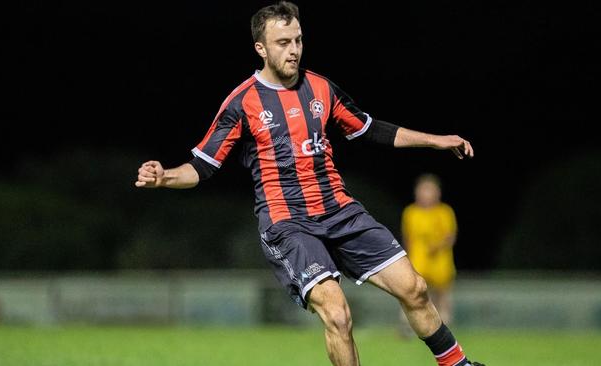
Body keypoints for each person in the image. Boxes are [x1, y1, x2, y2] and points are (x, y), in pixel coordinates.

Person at [135, 2, 482, 365]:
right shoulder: (242, 103)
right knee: (338, 314)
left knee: (415, 289)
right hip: (288, 223)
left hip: (339, 210)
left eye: (298, 40)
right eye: (283, 42)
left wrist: (437, 140)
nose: (294, 49)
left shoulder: (320, 88)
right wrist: (165, 176)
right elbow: (202, 166)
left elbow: (369, 128)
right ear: (261, 48)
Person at [401, 174, 458, 333]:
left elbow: (450, 236)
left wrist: (438, 246)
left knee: (442, 297)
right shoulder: (410, 212)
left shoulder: (444, 212)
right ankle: (409, 327)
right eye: (423, 190)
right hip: (418, 261)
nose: (426, 194)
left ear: (437, 193)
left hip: (440, 262)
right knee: (412, 294)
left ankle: (444, 329)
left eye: (430, 190)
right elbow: (407, 238)